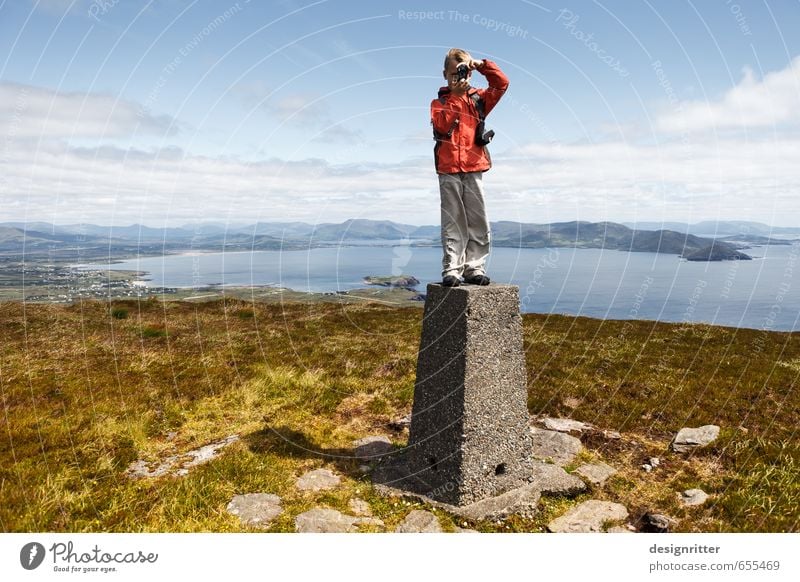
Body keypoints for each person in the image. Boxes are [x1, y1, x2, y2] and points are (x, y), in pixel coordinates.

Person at [431, 48, 508, 287]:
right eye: (454, 73)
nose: (459, 77)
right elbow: (442, 127)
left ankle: (474, 268)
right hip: (449, 168)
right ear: (445, 74)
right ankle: (452, 269)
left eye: (463, 72)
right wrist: (455, 96)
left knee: (478, 219)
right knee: (453, 220)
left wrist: (481, 64)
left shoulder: (479, 99)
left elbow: (502, 83)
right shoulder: (439, 102)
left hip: (474, 165)